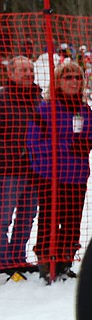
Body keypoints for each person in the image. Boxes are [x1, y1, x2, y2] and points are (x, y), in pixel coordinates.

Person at [27, 61, 92, 281]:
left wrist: (85, 143)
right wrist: (65, 146)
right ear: (58, 81)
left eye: (78, 77)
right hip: (51, 176)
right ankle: (46, 261)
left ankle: (65, 260)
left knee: (72, 220)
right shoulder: (46, 109)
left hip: (77, 175)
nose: (74, 82)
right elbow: (33, 142)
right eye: (68, 77)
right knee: (49, 219)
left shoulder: (83, 109)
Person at [0, 56, 42, 275]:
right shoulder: (3, 98)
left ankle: (18, 258)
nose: (28, 74)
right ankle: (3, 261)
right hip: (8, 169)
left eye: (31, 71)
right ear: (11, 74)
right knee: (4, 216)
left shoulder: (38, 99)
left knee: (27, 215)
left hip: (33, 170)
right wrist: (14, 150)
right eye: (23, 70)